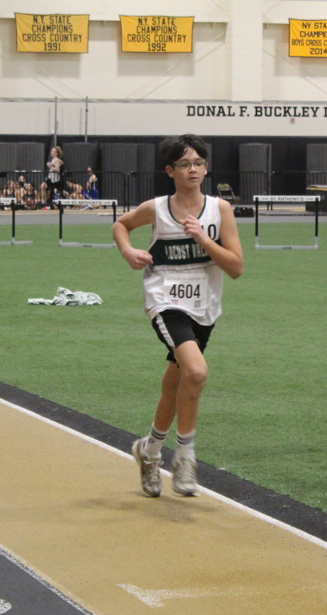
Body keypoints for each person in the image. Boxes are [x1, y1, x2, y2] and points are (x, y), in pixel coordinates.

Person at [112, 134, 244, 498]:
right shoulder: (157, 209)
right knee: (196, 371)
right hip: (165, 300)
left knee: (177, 381)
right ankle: (185, 456)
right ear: (170, 171)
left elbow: (235, 268)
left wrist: (204, 240)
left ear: (206, 168)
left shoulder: (220, 210)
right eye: (185, 164)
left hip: (205, 306)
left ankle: (150, 449)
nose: (193, 170)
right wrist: (128, 251)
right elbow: (121, 225)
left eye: (198, 163)